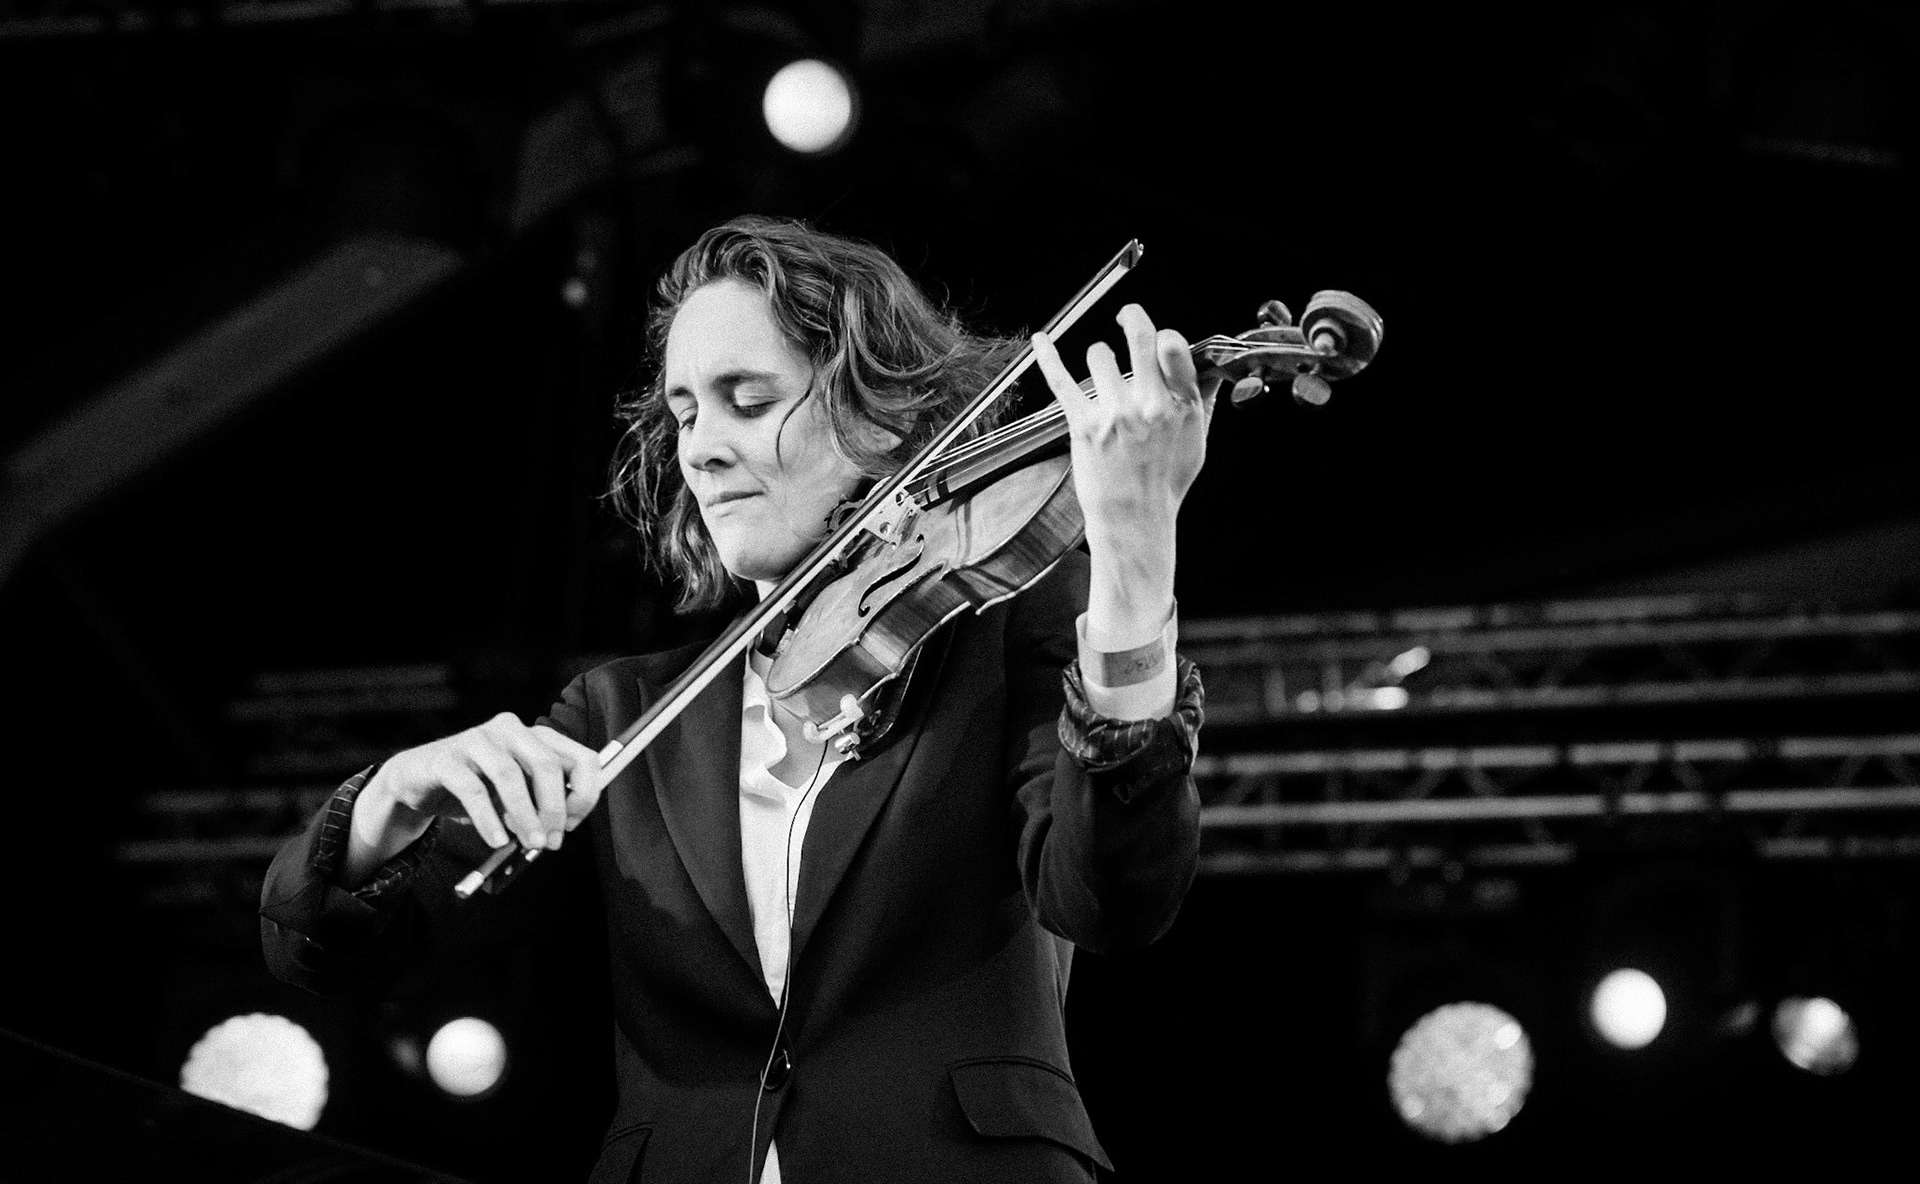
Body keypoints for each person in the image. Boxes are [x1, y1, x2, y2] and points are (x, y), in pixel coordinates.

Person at [261, 215, 1214, 1183]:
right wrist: (389, 797)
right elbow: (325, 954)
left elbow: (1112, 897)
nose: (702, 450)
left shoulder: (1006, 627)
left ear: (880, 416)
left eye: (747, 401)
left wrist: (1134, 564)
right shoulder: (620, 712)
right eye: (683, 414)